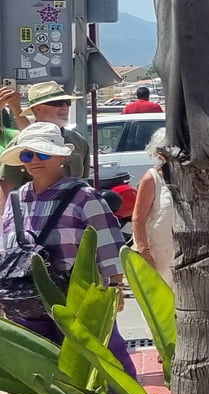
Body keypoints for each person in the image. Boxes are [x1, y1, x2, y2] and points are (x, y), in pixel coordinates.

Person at [0, 122, 131, 370]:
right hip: (27, 297)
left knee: (104, 359)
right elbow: (5, 248)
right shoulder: (17, 199)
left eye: (43, 153)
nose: (35, 160)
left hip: (79, 295)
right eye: (28, 155)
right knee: (40, 367)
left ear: (62, 156)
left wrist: (115, 285)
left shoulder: (84, 196)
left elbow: (107, 241)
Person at [2, 83, 90, 184]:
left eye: (67, 102)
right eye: (57, 103)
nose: (65, 107)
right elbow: (6, 190)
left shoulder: (78, 141)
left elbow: (83, 182)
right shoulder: (19, 145)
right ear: (37, 109)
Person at [132, 129, 178, 288]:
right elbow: (138, 219)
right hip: (159, 254)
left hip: (185, 251)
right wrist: (145, 254)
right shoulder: (152, 177)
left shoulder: (191, 177)